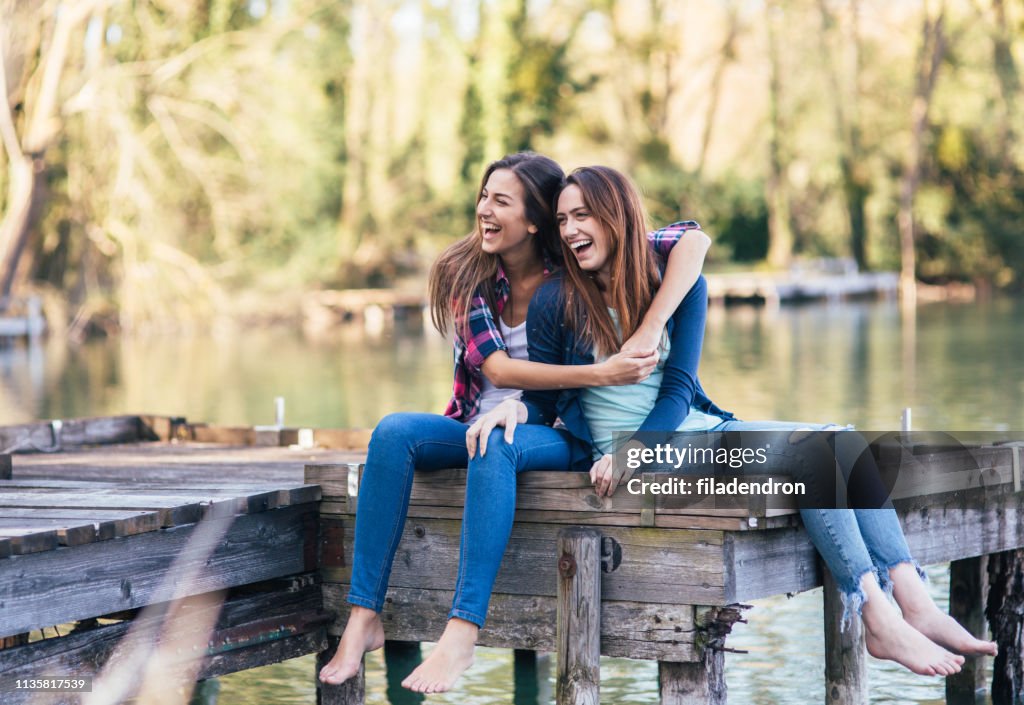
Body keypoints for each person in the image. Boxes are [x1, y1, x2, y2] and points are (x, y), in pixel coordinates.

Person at [468, 165, 997, 679]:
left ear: (617, 216)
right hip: (646, 457)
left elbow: (679, 388)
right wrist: (532, 412)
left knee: (839, 439)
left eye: (582, 215)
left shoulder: (677, 287)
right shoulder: (556, 300)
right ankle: (875, 614)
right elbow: (547, 396)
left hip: (698, 433)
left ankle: (913, 598)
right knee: (813, 460)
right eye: (562, 220)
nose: (570, 230)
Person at [318, 152, 712, 692]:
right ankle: (364, 616)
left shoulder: (571, 269)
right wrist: (601, 373)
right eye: (483, 196)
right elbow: (498, 368)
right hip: (478, 421)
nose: (484, 209)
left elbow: (690, 242)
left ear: (534, 220)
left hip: (551, 432)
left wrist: (648, 330)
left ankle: (461, 633)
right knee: (391, 432)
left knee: (496, 445)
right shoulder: (470, 274)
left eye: (500, 200)